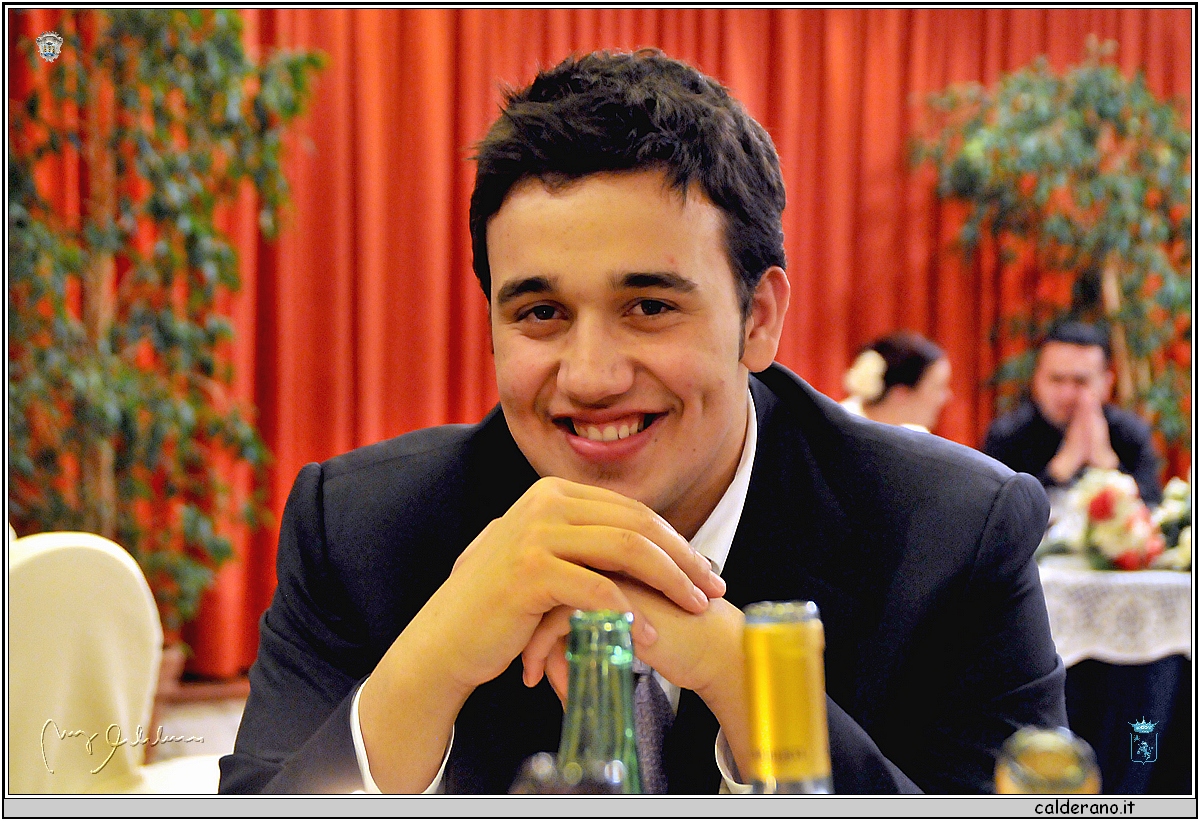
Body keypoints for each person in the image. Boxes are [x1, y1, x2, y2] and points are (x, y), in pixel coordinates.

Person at [220, 49, 1065, 796]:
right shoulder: (362, 528)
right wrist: (431, 661)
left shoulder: (951, 537)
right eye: (541, 313)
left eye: (650, 306)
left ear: (759, 319)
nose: (590, 377)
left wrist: (745, 678)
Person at [983, 321, 1163, 505]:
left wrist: (1107, 466)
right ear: (1036, 380)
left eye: (1080, 381)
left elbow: (1153, 508)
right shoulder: (1008, 435)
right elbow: (997, 512)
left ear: (1107, 384)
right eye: (1057, 379)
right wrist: (1060, 469)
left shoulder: (1130, 433)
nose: (1067, 395)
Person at [841, 331, 951, 433]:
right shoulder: (840, 431)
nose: (946, 397)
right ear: (900, 393)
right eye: (937, 387)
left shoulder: (916, 434)